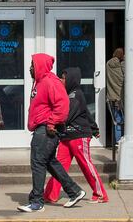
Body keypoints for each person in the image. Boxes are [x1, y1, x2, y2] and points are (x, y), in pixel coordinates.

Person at [17, 53, 86, 213]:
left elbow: (62, 104)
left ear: (40, 65)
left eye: (33, 65)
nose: (30, 68)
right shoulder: (39, 82)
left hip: (46, 129)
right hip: (41, 128)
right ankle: (75, 192)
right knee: (48, 162)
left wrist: (52, 123)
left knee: (37, 162)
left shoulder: (50, 81)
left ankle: (36, 202)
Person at [43, 67, 109, 204]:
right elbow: (86, 113)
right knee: (58, 167)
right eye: (61, 77)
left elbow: (66, 115)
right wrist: (95, 128)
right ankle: (50, 195)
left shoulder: (75, 95)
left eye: (63, 78)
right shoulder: (68, 94)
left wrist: (52, 123)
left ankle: (100, 194)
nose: (61, 80)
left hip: (79, 136)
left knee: (86, 165)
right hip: (67, 137)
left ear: (71, 79)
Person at [106, 48, 125, 144]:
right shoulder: (123, 65)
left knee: (116, 120)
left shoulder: (108, 64)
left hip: (111, 97)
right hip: (121, 98)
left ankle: (117, 142)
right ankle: (124, 141)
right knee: (125, 120)